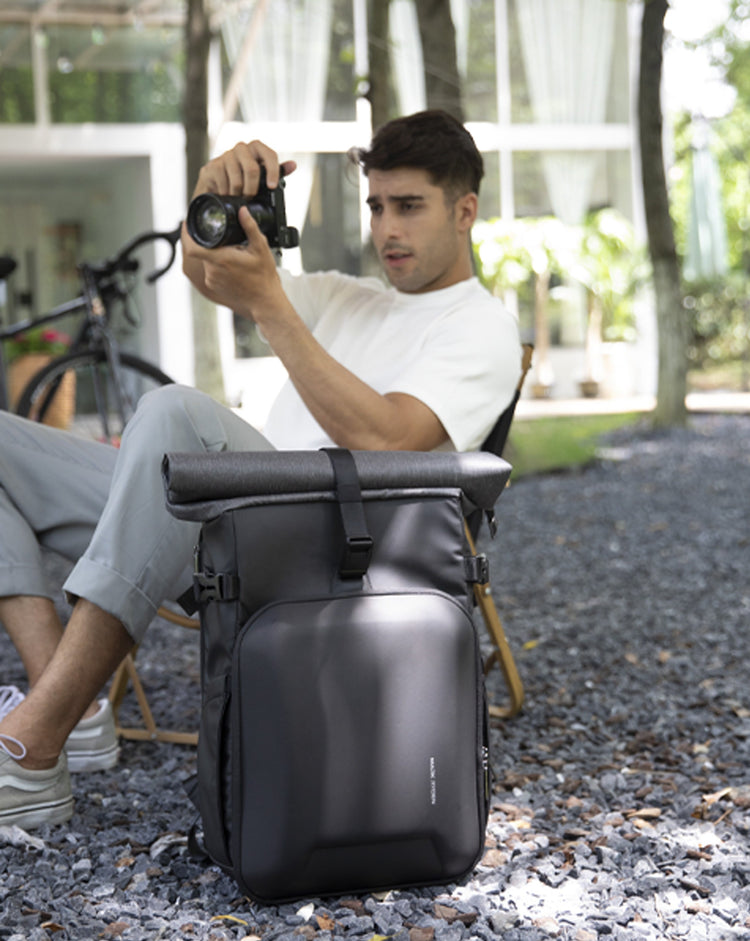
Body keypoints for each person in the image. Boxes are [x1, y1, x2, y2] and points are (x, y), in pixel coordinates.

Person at [0, 110, 521, 830]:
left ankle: (32, 746)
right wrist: (209, 192)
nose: (387, 229)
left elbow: (386, 440)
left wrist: (272, 305)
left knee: (175, 413)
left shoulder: (482, 325)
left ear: (465, 211)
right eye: (376, 206)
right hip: (224, 524)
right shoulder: (346, 298)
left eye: (409, 206)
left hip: (329, 553)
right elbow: (208, 271)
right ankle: (69, 707)